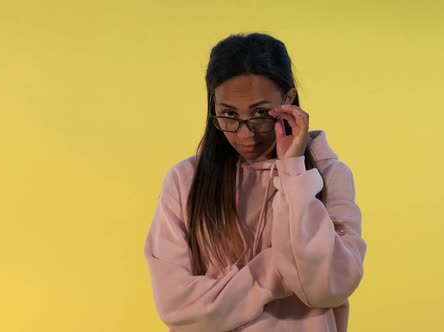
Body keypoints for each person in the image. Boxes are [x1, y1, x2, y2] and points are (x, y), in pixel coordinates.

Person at [144, 32, 367, 332]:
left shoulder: (329, 175)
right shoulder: (186, 181)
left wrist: (293, 171)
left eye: (261, 113)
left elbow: (325, 287)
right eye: (228, 115)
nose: (245, 134)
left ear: (288, 101)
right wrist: (278, 267)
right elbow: (177, 307)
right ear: (213, 104)